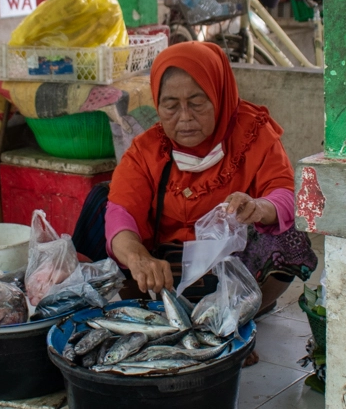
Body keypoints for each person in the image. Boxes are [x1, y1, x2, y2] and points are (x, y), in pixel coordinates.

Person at [102, 42, 316, 313]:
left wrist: (258, 207)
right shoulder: (147, 150)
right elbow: (121, 212)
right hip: (167, 275)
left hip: (237, 270)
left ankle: (242, 317)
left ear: (218, 94)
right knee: (105, 210)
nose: (185, 117)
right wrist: (138, 257)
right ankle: (167, 315)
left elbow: (286, 193)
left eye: (197, 103)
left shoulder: (253, 135)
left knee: (289, 233)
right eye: (171, 106)